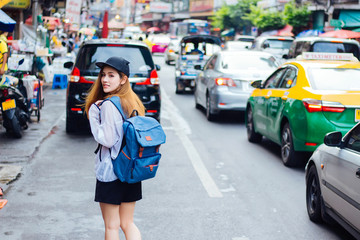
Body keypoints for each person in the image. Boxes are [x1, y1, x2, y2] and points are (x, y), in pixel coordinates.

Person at [85, 56, 144, 240]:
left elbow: (107, 140)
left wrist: (94, 115)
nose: (104, 80)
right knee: (128, 223)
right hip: (131, 171)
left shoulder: (108, 105)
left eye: (111, 75)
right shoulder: (133, 101)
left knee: (112, 226)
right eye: (103, 75)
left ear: (123, 79)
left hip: (111, 172)